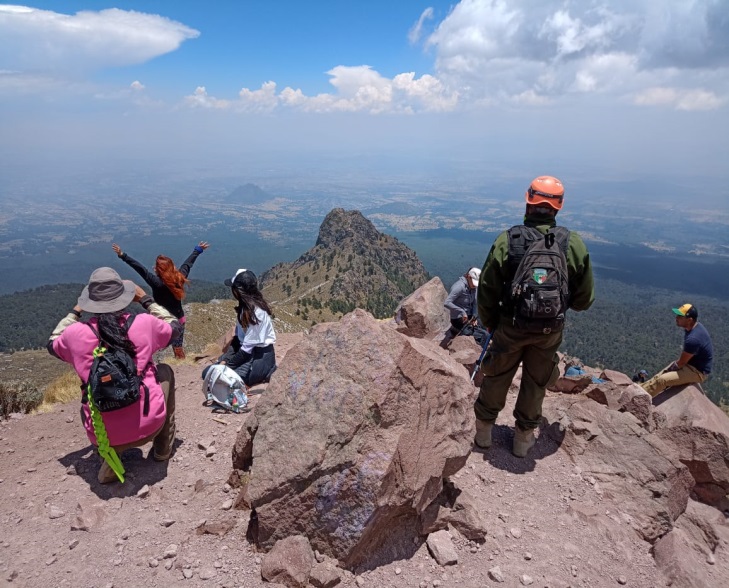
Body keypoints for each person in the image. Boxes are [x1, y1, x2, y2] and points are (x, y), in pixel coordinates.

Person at [473, 175, 595, 457]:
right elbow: (584, 299)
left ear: (528, 202)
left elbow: (488, 288)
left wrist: (492, 322)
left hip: (510, 325)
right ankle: (523, 440)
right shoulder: (571, 243)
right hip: (548, 331)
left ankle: (483, 434)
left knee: (497, 374)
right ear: (558, 207)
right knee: (536, 380)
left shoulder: (509, 240)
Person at [47, 267, 181, 484]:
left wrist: (75, 311)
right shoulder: (143, 324)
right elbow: (174, 327)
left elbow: (52, 342)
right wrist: (146, 300)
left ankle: (110, 455)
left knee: (90, 393)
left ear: (90, 301)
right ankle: (162, 448)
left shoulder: (74, 335)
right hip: (149, 426)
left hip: (103, 436)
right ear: (124, 298)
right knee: (165, 371)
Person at [112, 241, 209, 359]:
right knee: (178, 347)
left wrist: (122, 255)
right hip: (179, 320)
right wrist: (197, 250)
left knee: (153, 344)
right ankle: (180, 361)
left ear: (159, 270)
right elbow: (188, 264)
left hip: (161, 321)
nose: (154, 267)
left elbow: (140, 268)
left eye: (156, 266)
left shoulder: (156, 283)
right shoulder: (179, 277)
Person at [203, 269, 277, 387]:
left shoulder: (257, 313)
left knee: (220, 379)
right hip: (246, 354)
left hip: (258, 357)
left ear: (238, 291)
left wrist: (227, 367)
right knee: (207, 373)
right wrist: (225, 360)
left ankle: (264, 371)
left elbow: (247, 350)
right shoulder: (244, 309)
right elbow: (237, 340)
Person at [641, 304, 713, 398]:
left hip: (697, 372)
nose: (676, 318)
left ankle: (640, 398)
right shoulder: (693, 327)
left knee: (662, 380)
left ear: (689, 320)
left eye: (680, 316)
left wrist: (672, 369)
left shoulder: (693, 339)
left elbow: (682, 363)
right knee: (660, 374)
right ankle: (641, 389)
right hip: (691, 364)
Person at [444, 268, 481, 336]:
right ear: (468, 277)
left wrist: (474, 317)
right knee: (470, 334)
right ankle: (455, 329)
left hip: (469, 316)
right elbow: (447, 303)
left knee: (482, 328)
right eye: (474, 283)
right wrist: (461, 311)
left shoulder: (474, 287)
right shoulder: (459, 287)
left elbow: (475, 303)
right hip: (458, 317)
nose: (475, 286)